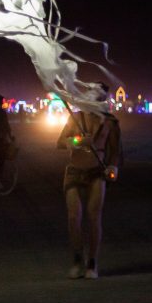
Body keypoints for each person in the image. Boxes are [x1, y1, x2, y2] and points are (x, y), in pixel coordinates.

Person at [56, 85, 121, 279]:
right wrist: (76, 141)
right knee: (73, 217)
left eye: (100, 97)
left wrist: (113, 167)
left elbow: (115, 151)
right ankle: (77, 259)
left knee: (94, 216)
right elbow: (60, 142)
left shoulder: (110, 122)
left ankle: (93, 262)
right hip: (75, 170)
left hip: (97, 172)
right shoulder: (75, 117)